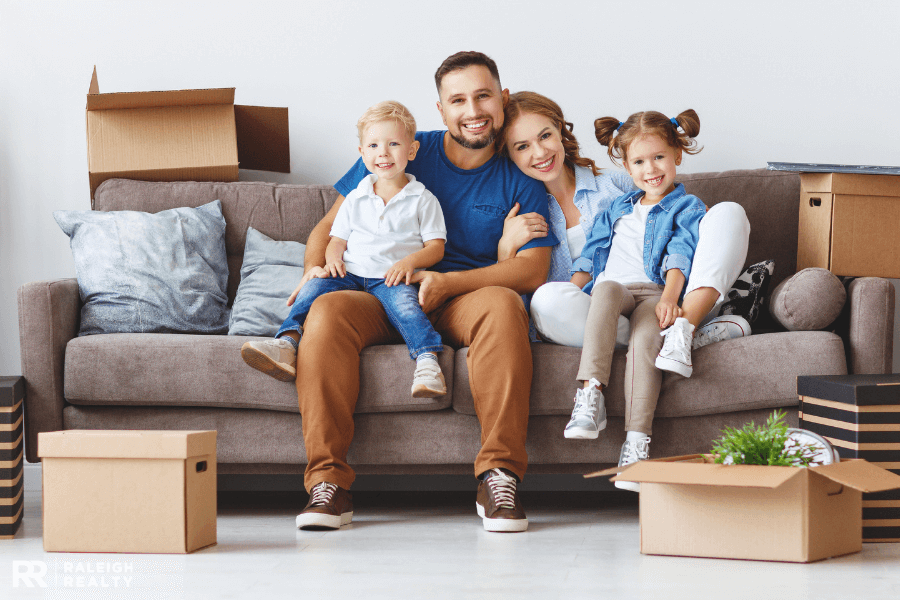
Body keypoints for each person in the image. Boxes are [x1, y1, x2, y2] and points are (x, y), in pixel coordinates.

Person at [278, 52, 557, 533]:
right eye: (458, 100)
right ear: (441, 109)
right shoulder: (402, 148)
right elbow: (329, 227)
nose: (473, 110)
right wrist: (314, 269)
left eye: (483, 95)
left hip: (462, 300)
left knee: (503, 304)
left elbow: (533, 269)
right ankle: (328, 484)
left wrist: (448, 282)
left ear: (502, 97)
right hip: (377, 292)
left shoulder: (519, 172)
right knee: (325, 311)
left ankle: (499, 475)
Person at [498, 93, 750, 460]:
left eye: (545, 136)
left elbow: (669, 221)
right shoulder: (519, 207)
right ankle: (670, 343)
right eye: (522, 146)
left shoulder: (616, 188)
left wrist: (700, 222)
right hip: (599, 312)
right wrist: (507, 248)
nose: (539, 152)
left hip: (659, 299)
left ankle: (683, 327)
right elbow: (573, 270)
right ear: (509, 154)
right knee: (548, 300)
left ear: (561, 131)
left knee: (728, 213)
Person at [241, 101, 449, 398]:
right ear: (362, 153)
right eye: (374, 145)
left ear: (412, 151)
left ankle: (428, 363)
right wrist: (331, 259)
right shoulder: (356, 196)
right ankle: (286, 343)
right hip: (349, 273)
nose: (383, 153)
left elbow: (436, 248)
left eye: (393, 144)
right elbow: (336, 238)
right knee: (312, 288)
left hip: (391, 278)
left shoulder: (423, 199)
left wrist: (410, 262)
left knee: (408, 309)